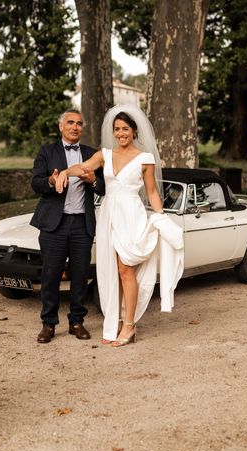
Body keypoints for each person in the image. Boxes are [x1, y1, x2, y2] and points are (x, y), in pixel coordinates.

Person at [55, 105, 184, 347]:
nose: (120, 133)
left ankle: (129, 325)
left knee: (126, 270)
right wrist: (64, 172)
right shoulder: (105, 154)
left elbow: (153, 192)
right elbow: (83, 168)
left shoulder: (145, 159)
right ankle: (114, 320)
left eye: (125, 129)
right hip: (108, 216)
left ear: (134, 131)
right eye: (117, 129)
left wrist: (161, 215)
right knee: (110, 271)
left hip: (131, 215)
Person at [30, 108, 105, 344]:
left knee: (80, 275)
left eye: (79, 124)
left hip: (82, 223)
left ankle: (77, 321)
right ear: (61, 127)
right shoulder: (47, 152)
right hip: (55, 224)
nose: (75, 127)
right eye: (70, 123)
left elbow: (104, 188)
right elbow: (36, 184)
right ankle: (49, 324)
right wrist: (52, 180)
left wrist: (93, 180)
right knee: (51, 275)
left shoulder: (92, 154)